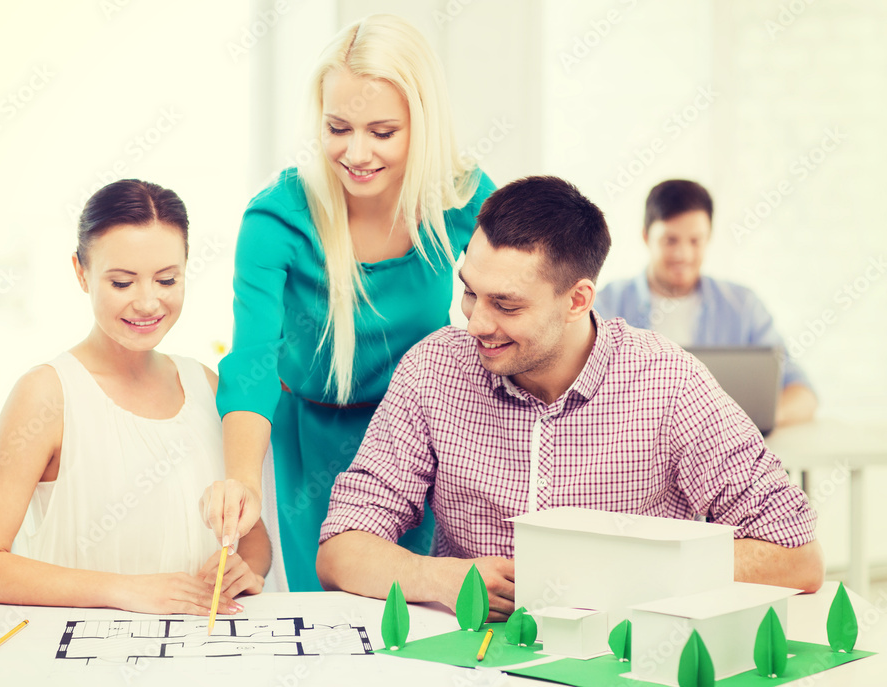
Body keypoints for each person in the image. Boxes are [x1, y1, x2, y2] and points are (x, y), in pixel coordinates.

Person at [316, 176, 824, 619]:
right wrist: (437, 577)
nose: (476, 323)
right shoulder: (433, 369)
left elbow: (797, 560)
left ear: (578, 300)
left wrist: (622, 570)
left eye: (507, 305)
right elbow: (341, 550)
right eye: (470, 291)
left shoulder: (668, 383)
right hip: (467, 657)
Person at [203, 14, 496, 591]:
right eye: (338, 128)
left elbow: (526, 290)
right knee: (321, 615)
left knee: (419, 606)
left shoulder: (462, 197)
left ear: (422, 124)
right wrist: (241, 480)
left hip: (417, 439)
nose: (356, 153)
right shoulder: (275, 218)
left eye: (382, 132)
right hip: (305, 443)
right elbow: (252, 361)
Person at [0, 179, 270, 615]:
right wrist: (129, 591)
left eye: (166, 279)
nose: (147, 302)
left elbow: (254, 543)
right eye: (122, 282)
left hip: (197, 656)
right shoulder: (47, 395)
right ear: (81, 273)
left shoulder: (205, 384)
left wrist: (244, 569)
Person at [594, 179, 817, 427]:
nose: (683, 255)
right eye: (670, 240)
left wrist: (746, 421)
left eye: (695, 241)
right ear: (646, 237)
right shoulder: (605, 305)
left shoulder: (742, 306)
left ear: (708, 238)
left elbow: (802, 393)